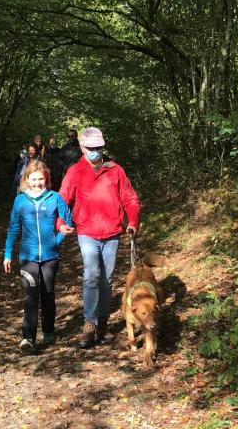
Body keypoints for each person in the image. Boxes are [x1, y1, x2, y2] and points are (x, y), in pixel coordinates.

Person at [58, 127, 140, 348]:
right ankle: (90, 323)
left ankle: (103, 323)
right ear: (83, 148)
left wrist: (132, 222)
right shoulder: (75, 171)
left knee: (107, 279)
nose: (96, 151)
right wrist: (61, 223)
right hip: (86, 231)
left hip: (112, 232)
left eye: (99, 147)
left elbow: (130, 199)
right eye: (92, 148)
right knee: (91, 275)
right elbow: (62, 200)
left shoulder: (116, 170)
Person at [3, 160, 75, 351]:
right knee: (31, 296)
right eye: (34, 179)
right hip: (28, 257)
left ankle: (49, 331)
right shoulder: (20, 200)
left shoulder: (55, 197)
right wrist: (7, 254)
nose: (37, 183)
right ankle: (28, 338)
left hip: (51, 257)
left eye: (41, 179)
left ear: (47, 179)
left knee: (48, 293)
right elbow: (13, 228)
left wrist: (56, 240)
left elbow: (68, 221)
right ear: (26, 179)